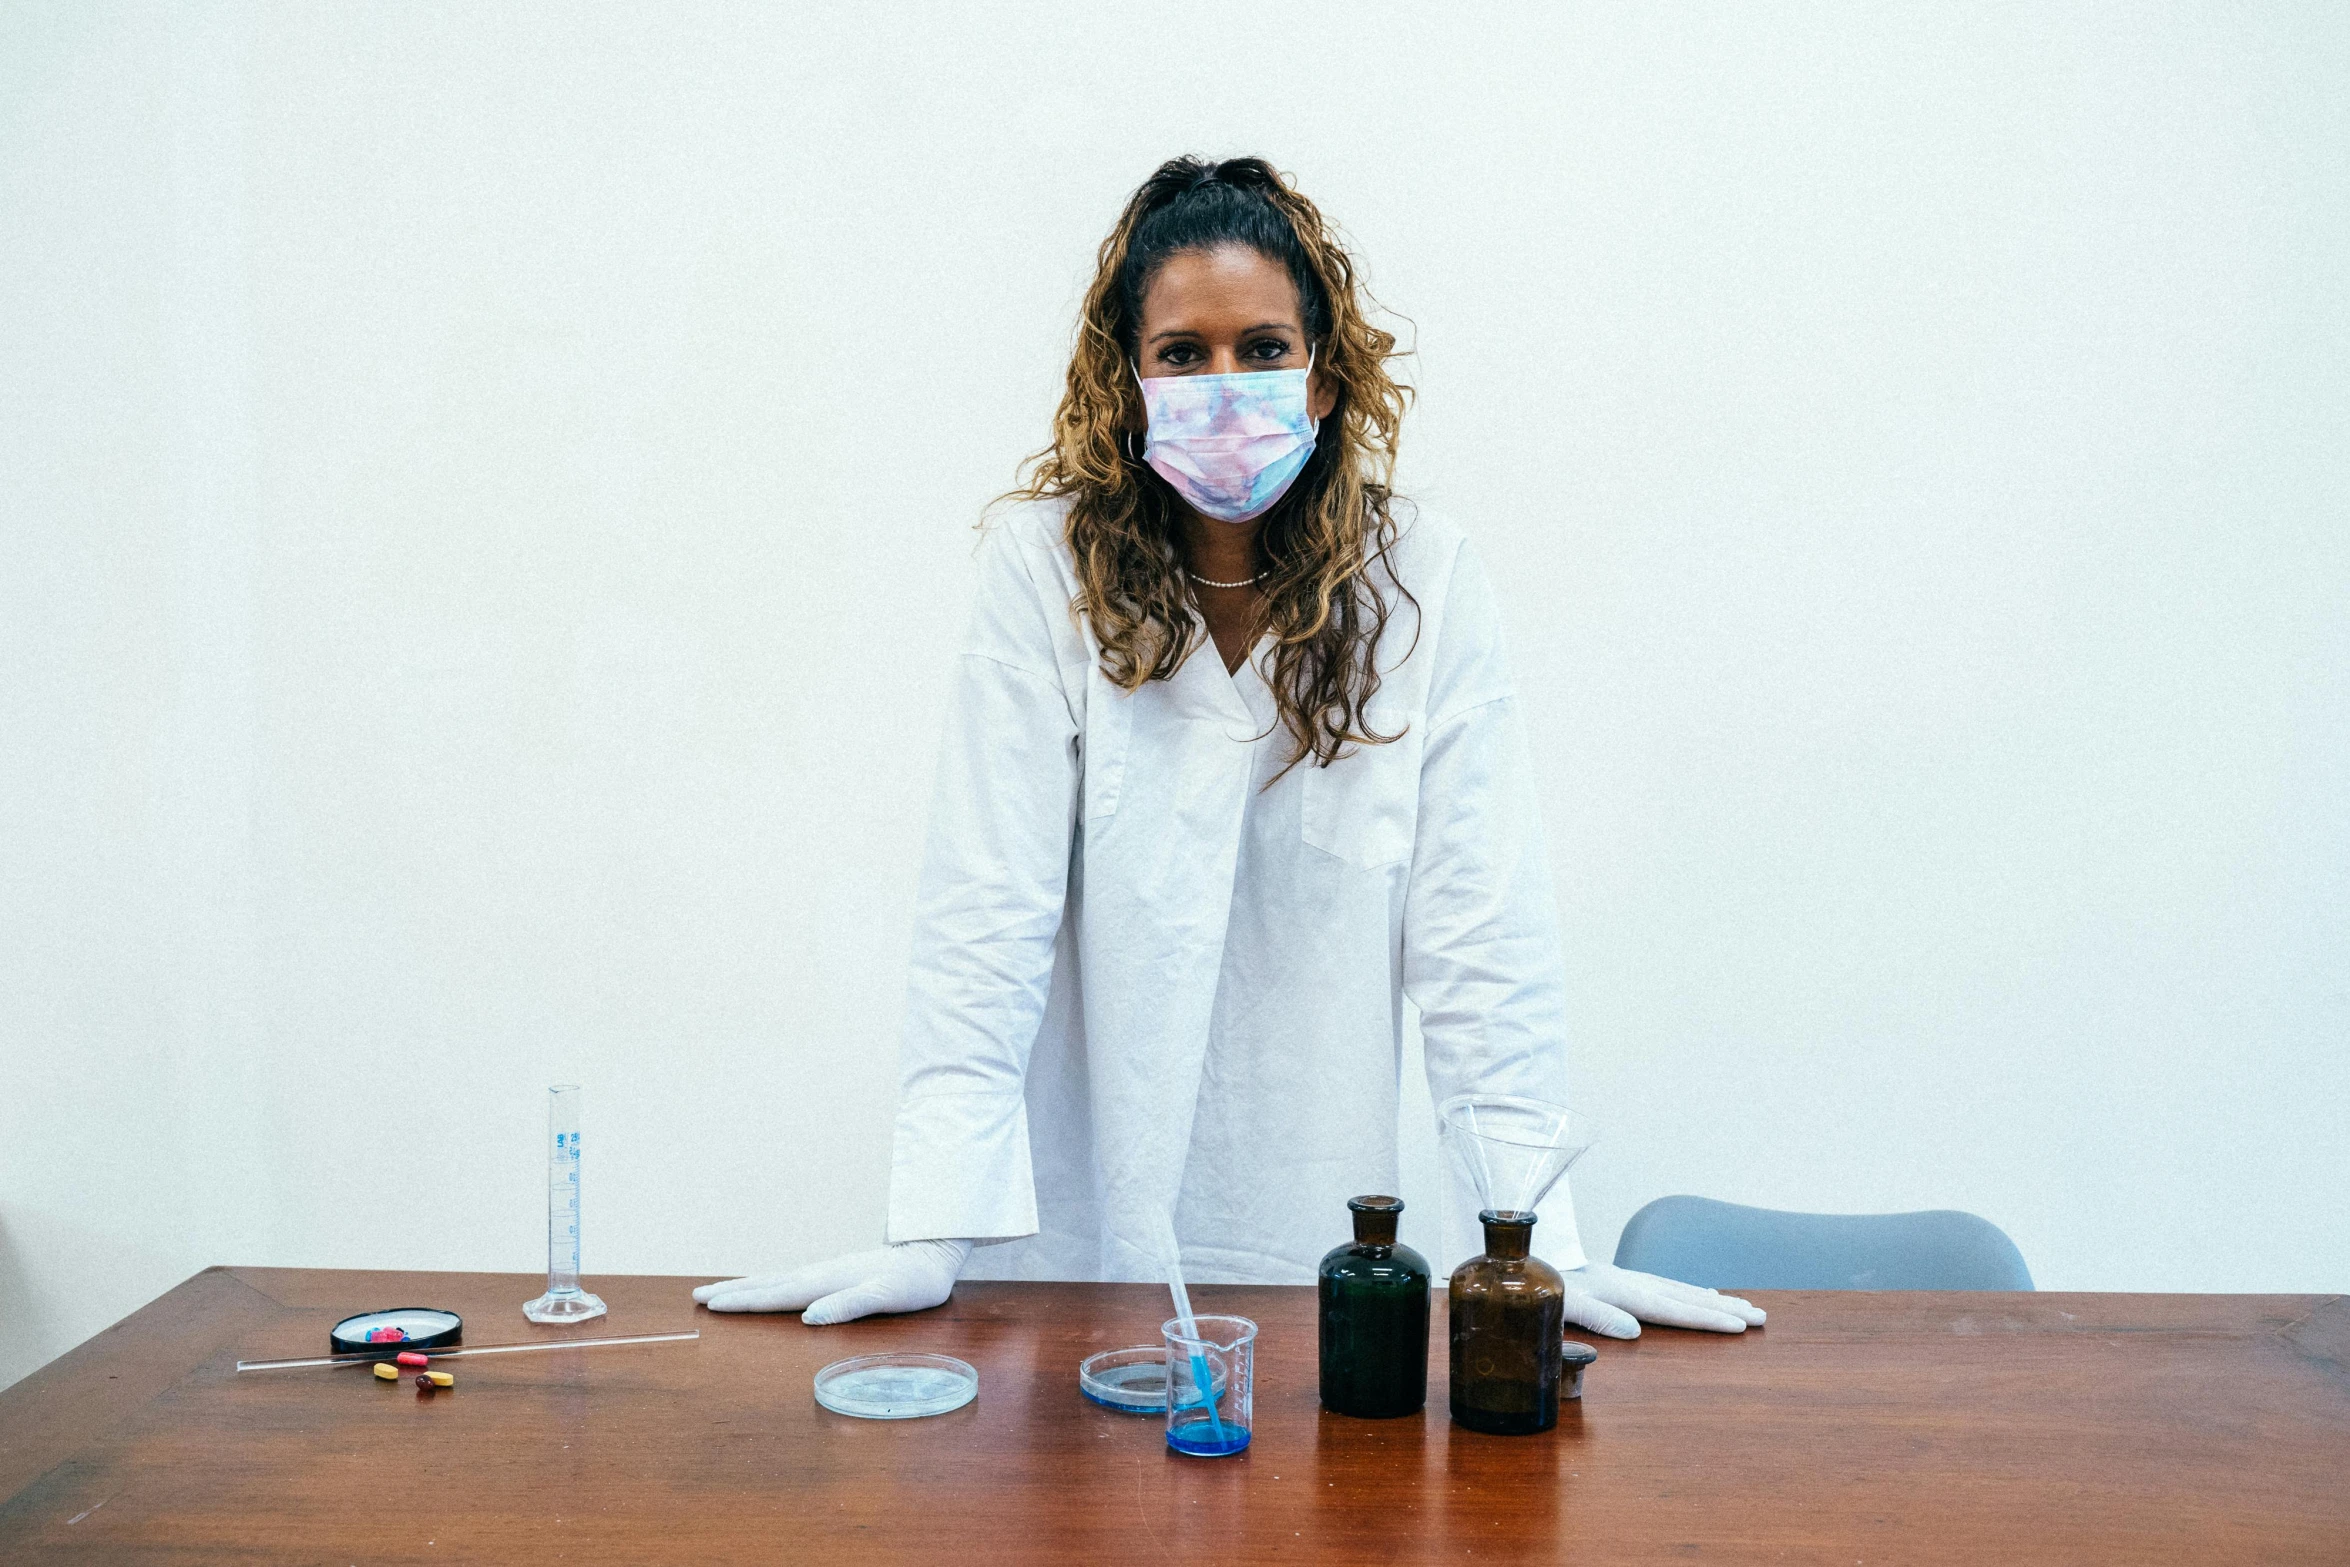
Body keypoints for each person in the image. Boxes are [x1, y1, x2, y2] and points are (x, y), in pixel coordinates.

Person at [696, 156, 1763, 1339]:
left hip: (1313, 1241)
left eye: (1262, 349)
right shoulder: (1043, 572)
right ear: (1129, 378)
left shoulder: (1421, 580)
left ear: (1320, 378)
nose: (1224, 383)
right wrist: (933, 1226)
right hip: (1073, 1251)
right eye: (1182, 353)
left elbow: (1481, 935)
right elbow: (982, 916)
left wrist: (1535, 1238)